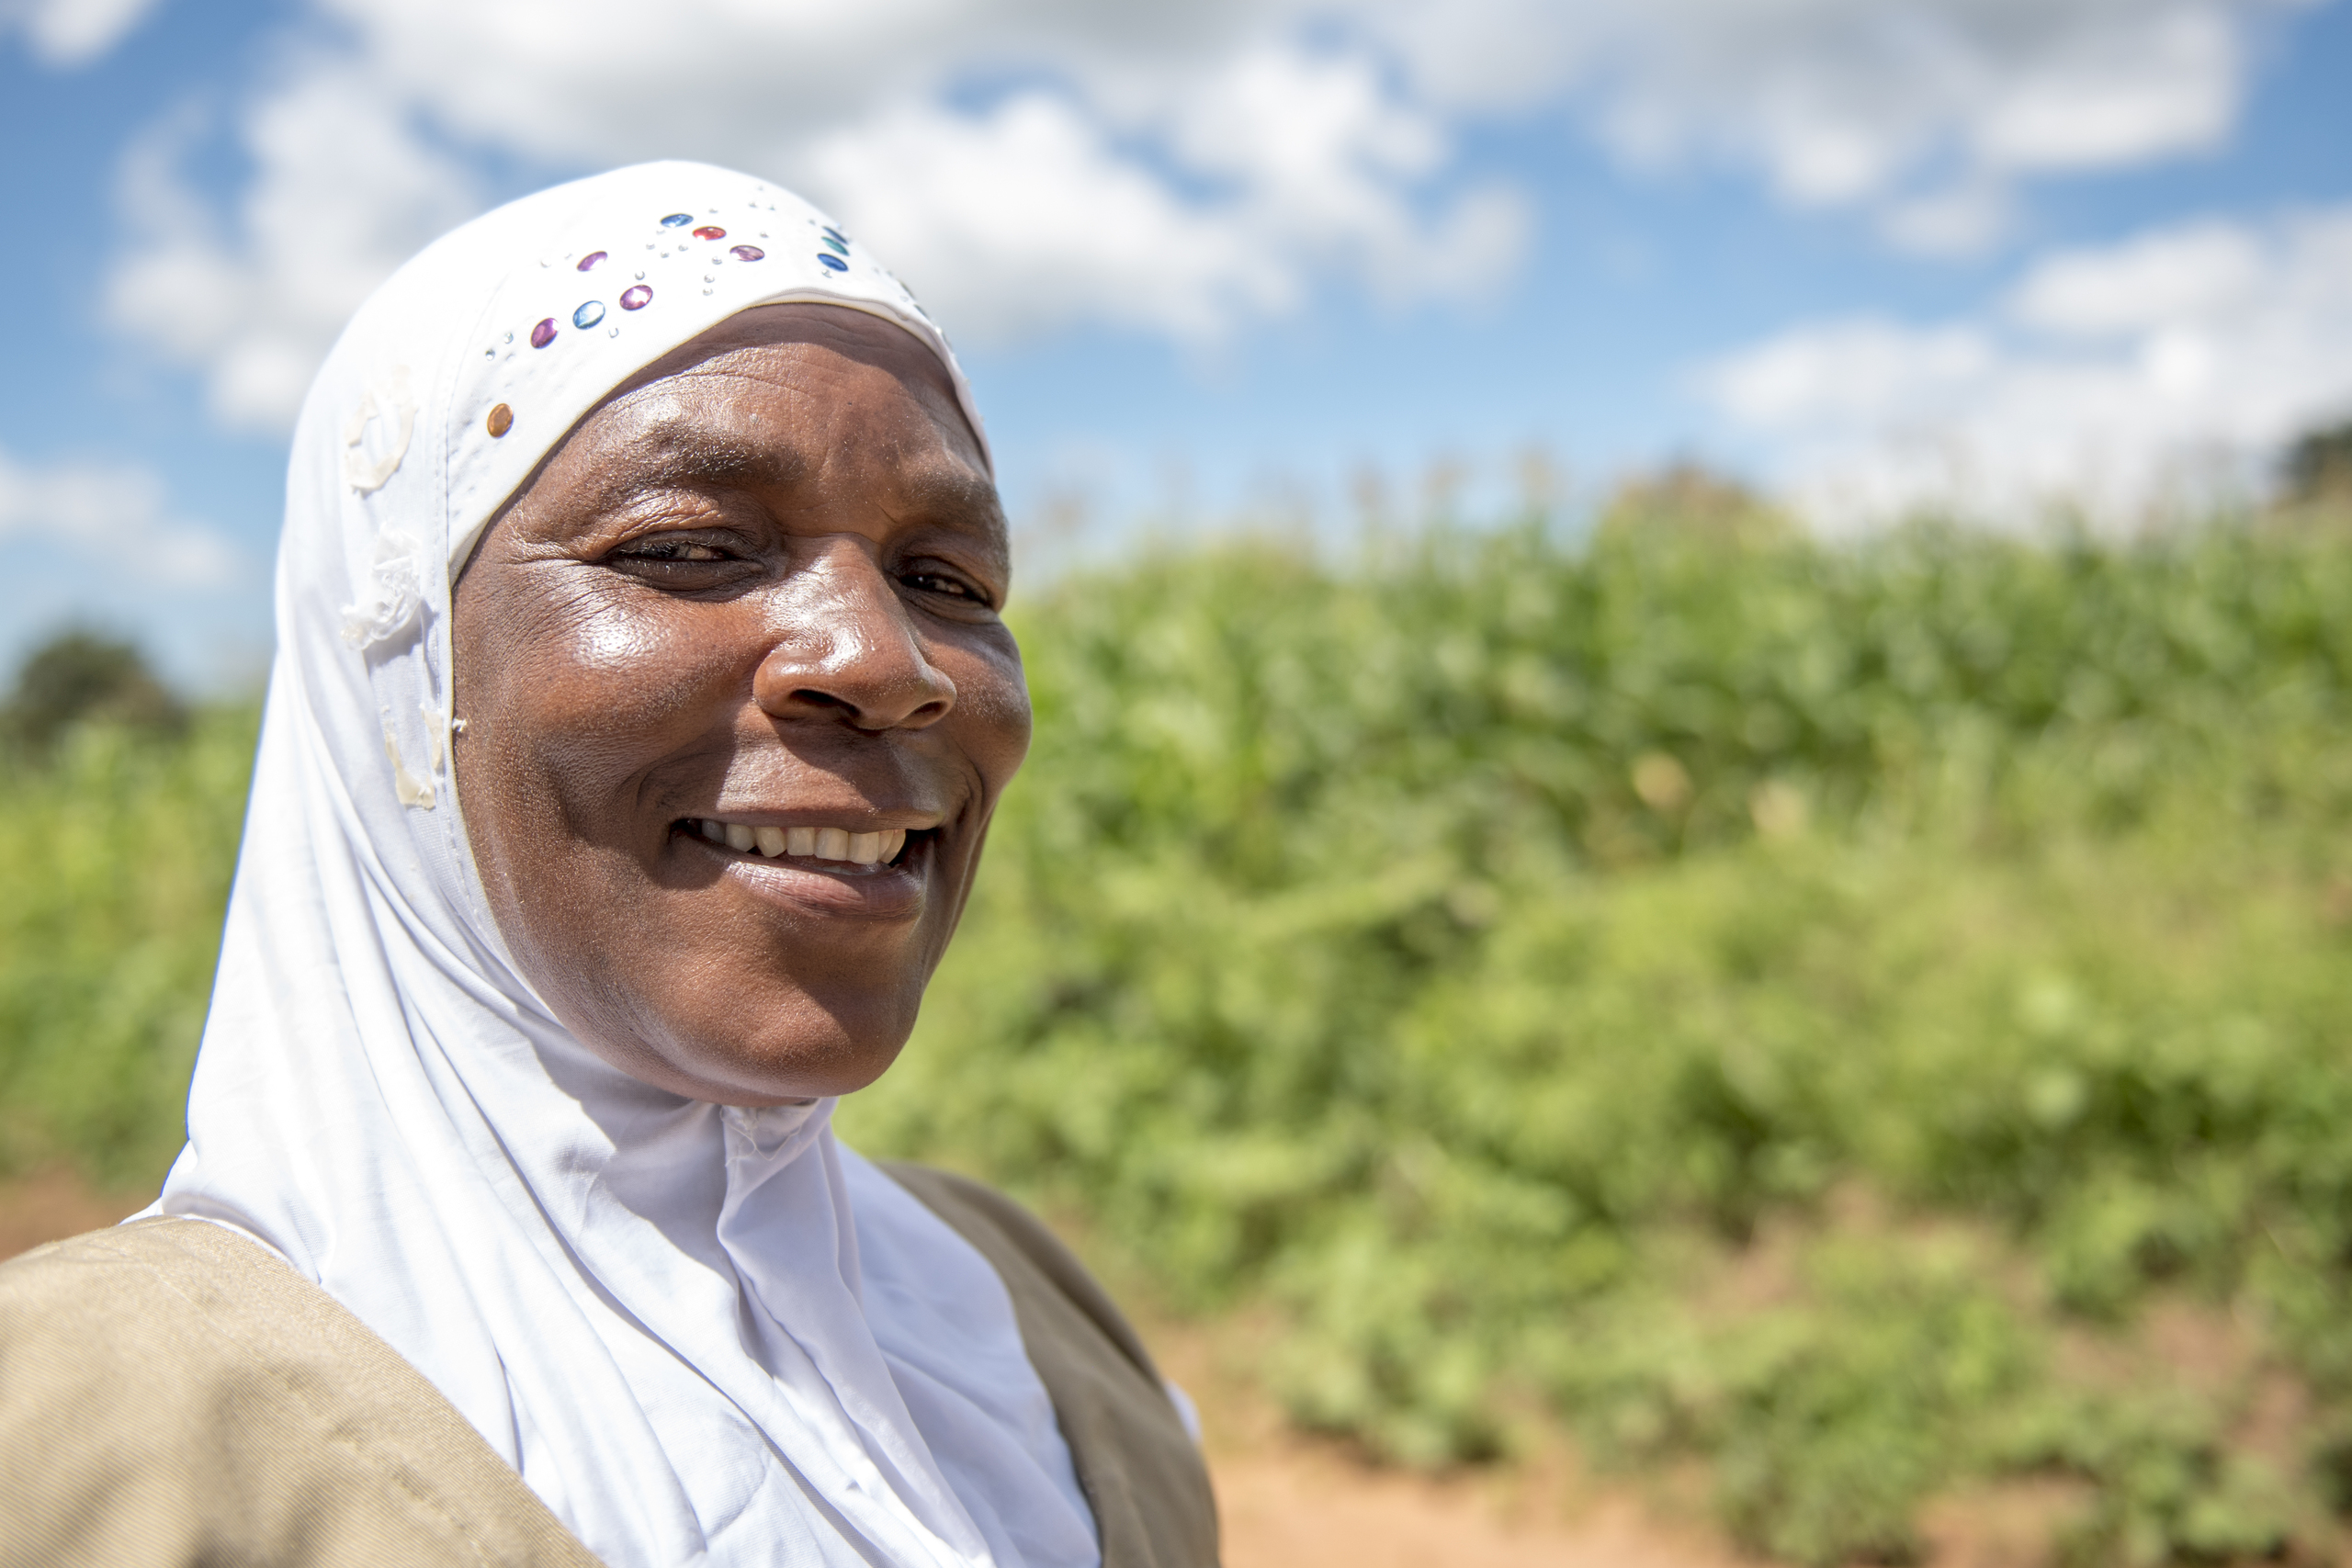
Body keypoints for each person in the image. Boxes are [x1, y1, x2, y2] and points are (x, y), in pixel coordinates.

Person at [0, 162, 1217, 1568]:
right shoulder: (92, 1454)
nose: (885, 661)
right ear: (401, 670)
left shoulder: (1026, 1316)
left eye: (947, 581)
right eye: (690, 548)